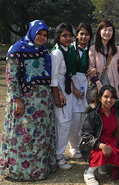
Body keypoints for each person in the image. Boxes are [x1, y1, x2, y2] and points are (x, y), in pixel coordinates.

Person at [0, 20, 56, 180]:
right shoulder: (16, 50)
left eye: (45, 35)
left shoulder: (44, 51)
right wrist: (17, 99)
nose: (42, 37)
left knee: (40, 136)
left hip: (43, 103)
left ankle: (40, 170)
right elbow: (11, 77)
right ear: (32, 32)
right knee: (23, 135)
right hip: (24, 102)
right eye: (39, 33)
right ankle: (20, 171)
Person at [81, 85, 119, 185]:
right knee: (101, 153)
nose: (109, 100)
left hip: (113, 142)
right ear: (100, 98)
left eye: (112, 97)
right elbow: (86, 136)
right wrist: (101, 146)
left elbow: (116, 130)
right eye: (106, 97)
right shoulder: (94, 114)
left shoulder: (116, 111)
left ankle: (105, 164)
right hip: (96, 144)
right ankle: (89, 173)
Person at [50, 22, 74, 170]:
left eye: (70, 35)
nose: (68, 38)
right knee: (63, 124)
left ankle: (59, 152)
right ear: (58, 37)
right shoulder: (57, 53)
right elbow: (53, 77)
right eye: (64, 35)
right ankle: (58, 157)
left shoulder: (67, 50)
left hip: (67, 91)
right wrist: (58, 94)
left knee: (65, 123)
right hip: (60, 92)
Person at [68, 22, 92, 159]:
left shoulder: (92, 50)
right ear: (76, 35)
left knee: (84, 116)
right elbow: (67, 71)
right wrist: (74, 87)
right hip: (73, 83)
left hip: (86, 83)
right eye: (81, 33)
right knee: (74, 117)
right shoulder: (71, 49)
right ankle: (73, 146)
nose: (83, 36)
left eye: (86, 34)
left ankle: (82, 145)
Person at [88, 20, 119, 97]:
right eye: (105, 30)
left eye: (110, 30)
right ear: (99, 31)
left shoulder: (117, 49)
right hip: (100, 87)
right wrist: (98, 83)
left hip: (115, 85)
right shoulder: (93, 49)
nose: (107, 32)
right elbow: (90, 69)